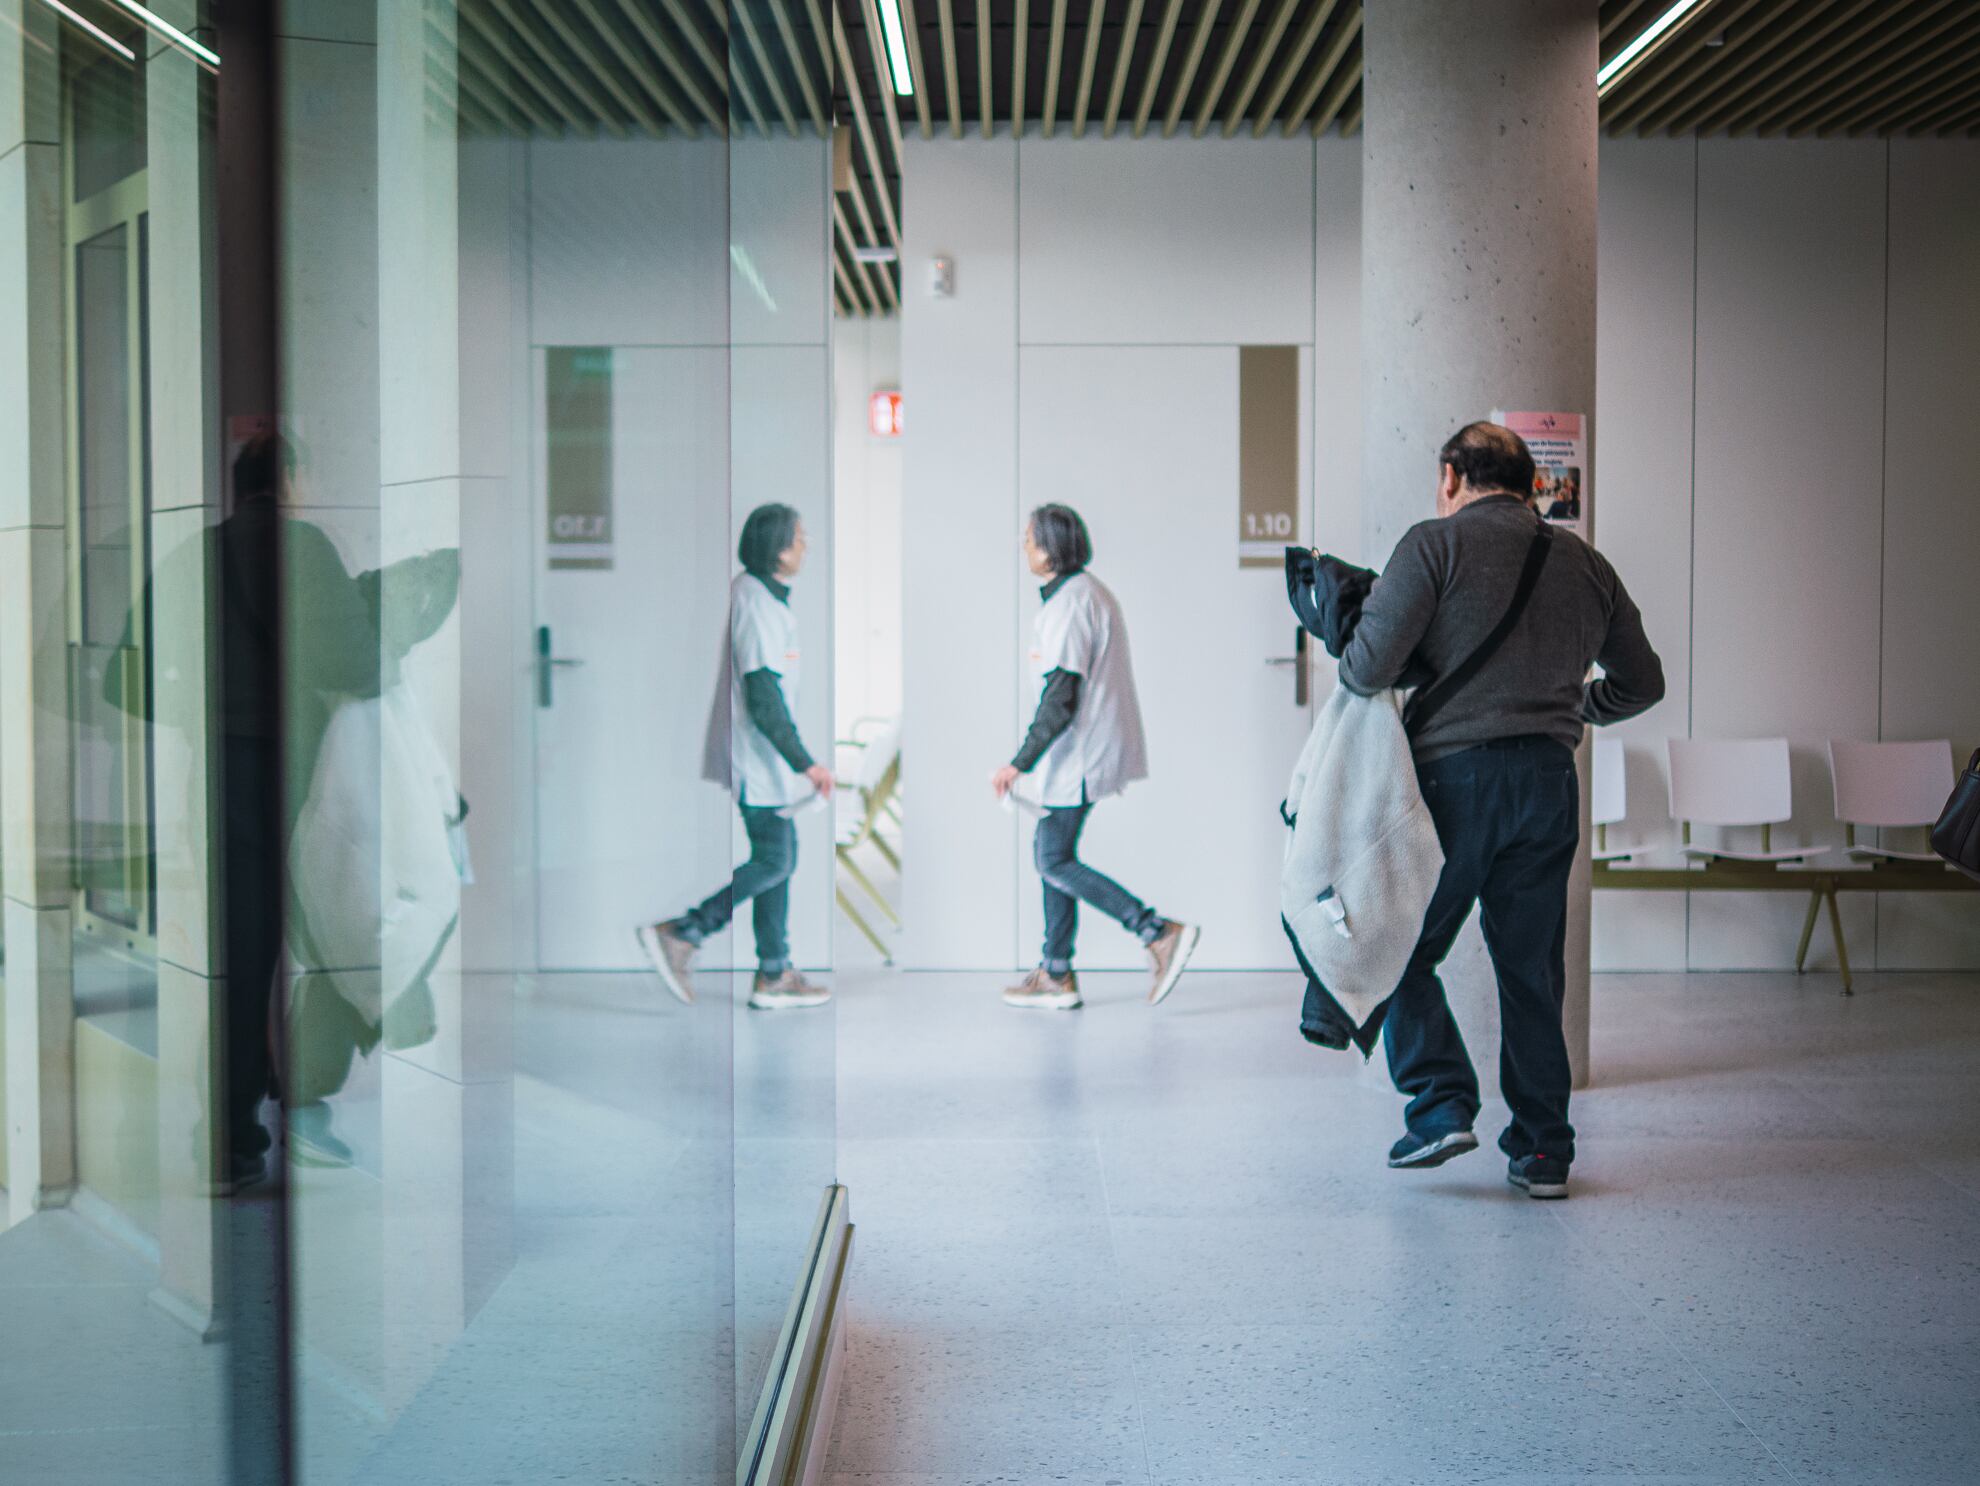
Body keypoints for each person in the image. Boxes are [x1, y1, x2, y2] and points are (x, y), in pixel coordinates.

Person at [1338, 423, 1664, 1199]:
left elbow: (1366, 670)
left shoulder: (1434, 545)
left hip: (1454, 785)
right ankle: (1544, 1152)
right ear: (1531, 484)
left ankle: (1440, 1103)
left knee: (1395, 944)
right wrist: (1574, 708)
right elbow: (1642, 683)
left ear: (1452, 476)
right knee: (1531, 973)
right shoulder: (1586, 564)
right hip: (1549, 782)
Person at [991, 504, 1200, 1011]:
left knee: (1051, 858)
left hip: (1081, 753)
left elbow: (1060, 698)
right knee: (1053, 856)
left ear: (1051, 548)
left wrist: (1019, 762)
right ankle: (1056, 972)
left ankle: (1157, 931)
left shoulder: (1072, 603)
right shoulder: (1079, 595)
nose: (1023, 547)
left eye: (1029, 539)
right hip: (1081, 751)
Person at [639, 504, 833, 1011]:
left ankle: (774, 972)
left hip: (767, 760)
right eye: (800, 538)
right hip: (757, 758)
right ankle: (686, 930)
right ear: (778, 548)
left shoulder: (766, 597)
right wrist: (806, 763)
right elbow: (764, 696)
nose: (806, 546)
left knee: (779, 860)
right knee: (775, 858)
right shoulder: (754, 599)